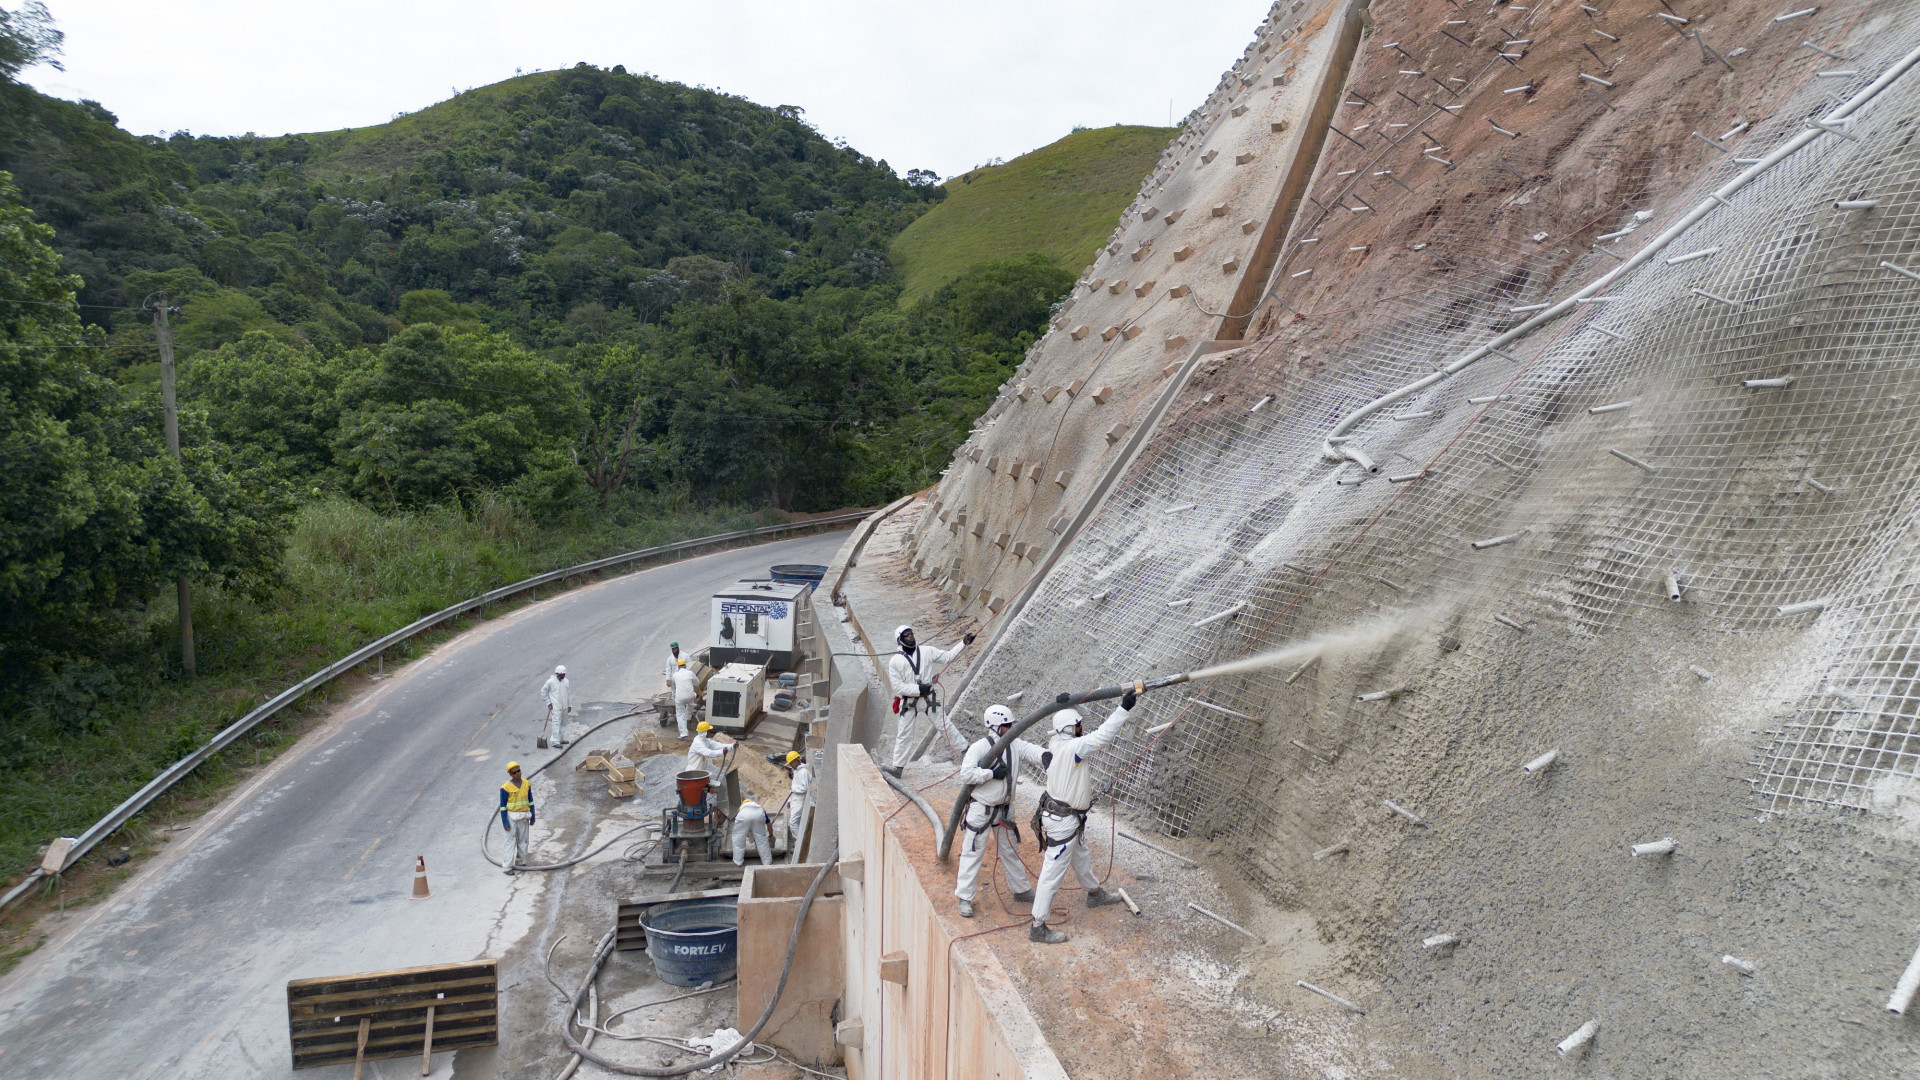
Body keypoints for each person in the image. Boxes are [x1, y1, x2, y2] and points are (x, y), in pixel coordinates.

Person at [1028, 688, 1138, 944]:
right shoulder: (1074, 748)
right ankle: (1037, 925)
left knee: (1081, 855)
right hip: (1063, 821)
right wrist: (1123, 709)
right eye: (1077, 725)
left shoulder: (1057, 742)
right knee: (1052, 873)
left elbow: (1073, 727)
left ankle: (1094, 893)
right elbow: (1102, 736)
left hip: (1066, 819)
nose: (1081, 728)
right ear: (1070, 729)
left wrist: (1064, 706)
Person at [954, 704, 1045, 918]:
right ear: (995, 727)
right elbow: (966, 774)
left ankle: (1021, 890)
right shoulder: (979, 747)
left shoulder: (1014, 744)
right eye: (1006, 725)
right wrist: (989, 774)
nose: (1011, 728)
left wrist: (1046, 756)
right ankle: (965, 897)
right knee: (972, 853)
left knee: (1010, 851)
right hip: (982, 810)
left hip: (1004, 810)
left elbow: (1031, 750)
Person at [885, 625, 974, 776]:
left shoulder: (927, 651)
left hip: (929, 698)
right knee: (904, 733)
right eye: (907, 635)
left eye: (911, 633)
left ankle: (966, 752)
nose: (911, 636)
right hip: (909, 701)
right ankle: (898, 768)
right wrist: (918, 690)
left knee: (944, 724)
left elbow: (947, 657)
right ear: (900, 640)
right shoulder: (895, 661)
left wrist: (963, 643)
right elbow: (898, 686)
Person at [499, 761, 534, 874]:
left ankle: (521, 862)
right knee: (510, 842)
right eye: (514, 772)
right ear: (510, 774)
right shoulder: (505, 788)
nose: (517, 774)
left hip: (524, 817)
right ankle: (507, 867)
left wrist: (533, 816)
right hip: (512, 818)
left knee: (523, 841)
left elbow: (530, 801)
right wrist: (505, 823)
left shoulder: (526, 784)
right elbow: (503, 807)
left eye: (518, 771)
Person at [686, 721, 729, 790]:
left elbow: (717, 745)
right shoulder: (698, 743)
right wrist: (722, 752)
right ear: (704, 733)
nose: (710, 732)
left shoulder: (705, 740)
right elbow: (708, 753)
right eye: (708, 731)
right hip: (693, 774)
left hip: (700, 774)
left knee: (704, 793)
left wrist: (731, 746)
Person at [732, 798, 774, 866]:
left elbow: (737, 827)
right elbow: (769, 823)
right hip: (758, 815)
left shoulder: (741, 809)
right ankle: (767, 862)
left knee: (738, 838)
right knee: (762, 840)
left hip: (744, 816)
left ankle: (738, 861)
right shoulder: (759, 808)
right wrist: (771, 834)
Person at [539, 664, 572, 749]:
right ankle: (555, 741)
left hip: (564, 706)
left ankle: (560, 739)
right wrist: (548, 703)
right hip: (556, 706)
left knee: (563, 723)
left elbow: (569, 694)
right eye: (563, 674)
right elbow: (543, 692)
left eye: (565, 674)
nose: (564, 675)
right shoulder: (550, 682)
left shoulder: (566, 681)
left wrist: (569, 705)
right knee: (556, 723)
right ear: (558, 673)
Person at [783, 750, 811, 845]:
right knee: (796, 822)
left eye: (791, 763)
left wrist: (794, 789)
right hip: (795, 799)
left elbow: (805, 788)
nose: (790, 765)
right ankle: (799, 841)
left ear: (796, 761)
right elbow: (794, 786)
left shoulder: (804, 772)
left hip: (800, 801)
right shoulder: (796, 771)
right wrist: (790, 800)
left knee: (793, 823)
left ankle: (800, 843)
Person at [671, 658, 698, 739]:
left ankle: (683, 734)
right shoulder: (690, 673)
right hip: (690, 696)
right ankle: (688, 715)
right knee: (692, 702)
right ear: (685, 666)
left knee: (679, 714)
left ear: (678, 667)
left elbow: (673, 686)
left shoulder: (675, 675)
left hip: (679, 698)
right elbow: (697, 683)